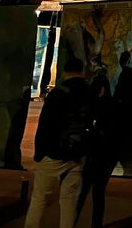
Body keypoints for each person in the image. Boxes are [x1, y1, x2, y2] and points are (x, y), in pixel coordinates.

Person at [26, 57, 94, 228]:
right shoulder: (89, 92)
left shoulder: (59, 93)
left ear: (65, 71)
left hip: (55, 152)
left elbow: (45, 125)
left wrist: (39, 153)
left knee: (40, 196)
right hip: (78, 152)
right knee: (69, 196)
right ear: (82, 71)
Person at [76, 74, 117, 228]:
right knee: (97, 193)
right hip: (104, 157)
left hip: (97, 156)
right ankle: (95, 224)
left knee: (84, 191)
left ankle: (71, 221)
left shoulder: (97, 106)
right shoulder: (110, 105)